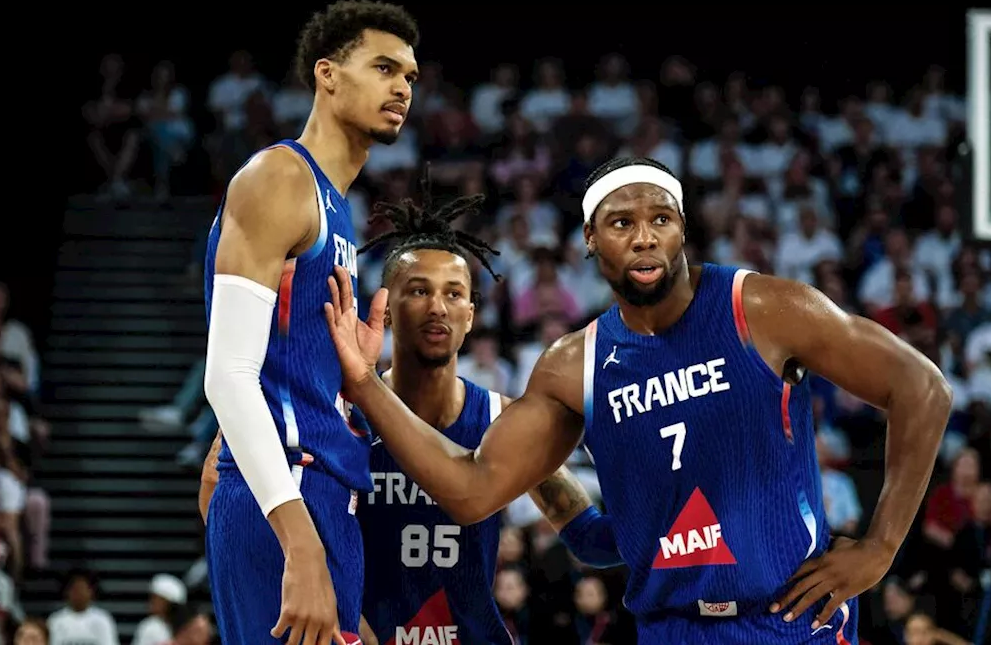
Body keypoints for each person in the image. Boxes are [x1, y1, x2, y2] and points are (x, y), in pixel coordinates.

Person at [324, 156, 953, 644]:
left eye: (661, 219)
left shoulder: (761, 308)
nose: (645, 237)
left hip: (789, 621)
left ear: (683, 229)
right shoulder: (575, 365)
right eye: (623, 223)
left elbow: (921, 387)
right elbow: (472, 489)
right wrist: (364, 383)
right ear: (592, 240)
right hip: (669, 628)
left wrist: (880, 547)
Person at [202, 167, 621, 645]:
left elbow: (591, 539)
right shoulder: (333, 409)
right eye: (418, 291)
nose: (437, 307)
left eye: (454, 294)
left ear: (471, 315)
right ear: (384, 307)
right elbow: (219, 485)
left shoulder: (505, 420)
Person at [202, 0, 420, 645]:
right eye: (384, 68)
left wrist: (349, 376)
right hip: (289, 498)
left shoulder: (337, 207)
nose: (402, 88)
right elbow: (228, 376)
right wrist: (298, 540)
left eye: (410, 77)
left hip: (321, 495)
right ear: (327, 74)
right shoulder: (279, 178)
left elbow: (280, 372)